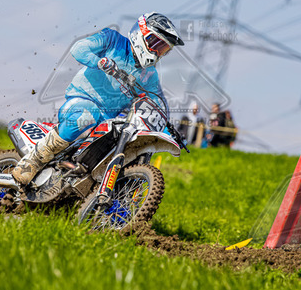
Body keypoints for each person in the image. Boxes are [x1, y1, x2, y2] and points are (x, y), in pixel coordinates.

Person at [12, 12, 185, 185]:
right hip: (81, 101)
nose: (157, 53)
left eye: (163, 49)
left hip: (108, 121)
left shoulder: (150, 75)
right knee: (87, 116)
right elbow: (79, 48)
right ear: (140, 34)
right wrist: (99, 62)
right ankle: (33, 161)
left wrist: (167, 130)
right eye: (156, 44)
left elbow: (155, 103)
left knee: (132, 140)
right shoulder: (112, 40)